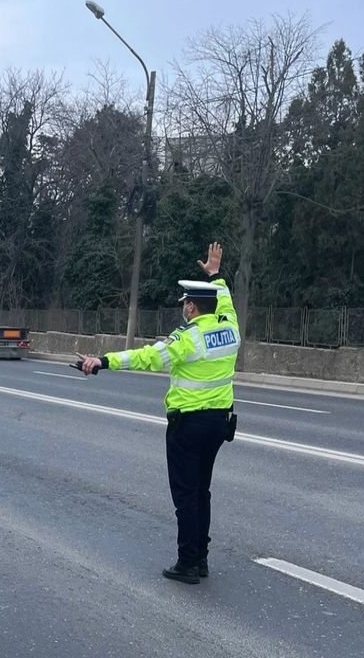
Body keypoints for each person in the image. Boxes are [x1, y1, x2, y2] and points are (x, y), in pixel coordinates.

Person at [77, 242, 239, 585]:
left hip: (188, 426)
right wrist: (215, 274)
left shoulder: (187, 339)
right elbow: (223, 299)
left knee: (185, 494)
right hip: (218, 424)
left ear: (193, 307)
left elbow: (147, 356)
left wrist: (102, 362)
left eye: (185, 304)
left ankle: (188, 563)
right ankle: (202, 558)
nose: (184, 308)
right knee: (202, 492)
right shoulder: (230, 329)